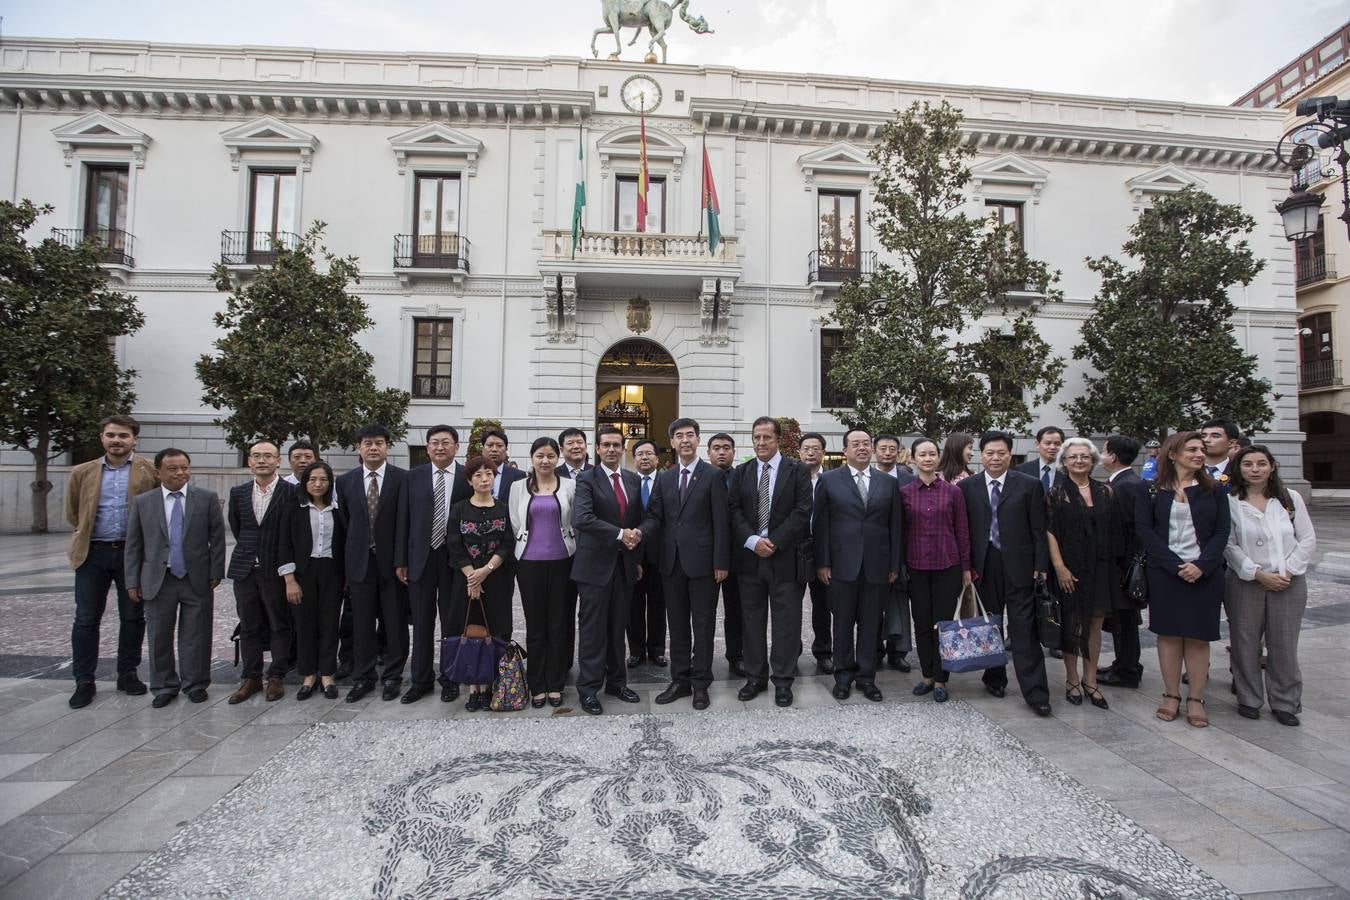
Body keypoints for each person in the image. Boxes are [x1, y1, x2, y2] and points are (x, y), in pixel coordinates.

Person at [1135, 431, 1231, 728]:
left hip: (1205, 573)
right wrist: (1176, 565)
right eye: (1191, 449)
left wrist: (1201, 564)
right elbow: (1145, 531)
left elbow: (1221, 531)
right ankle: (1171, 694)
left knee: (1198, 637)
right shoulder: (1150, 489)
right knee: (1169, 635)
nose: (1199, 454)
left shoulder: (1214, 489)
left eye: (1201, 449)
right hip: (1165, 573)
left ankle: (1196, 698)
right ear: (1173, 454)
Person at [64, 415, 157, 709]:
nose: (117, 440)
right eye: (111, 435)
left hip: (132, 554)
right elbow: (73, 512)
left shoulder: (148, 471)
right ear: (102, 437)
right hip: (93, 553)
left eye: (124, 436)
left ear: (134, 440)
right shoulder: (82, 472)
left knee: (132, 616)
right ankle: (84, 679)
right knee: (86, 617)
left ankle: (127, 673)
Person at [959, 431, 1052, 717]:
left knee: (1024, 630)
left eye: (1001, 453)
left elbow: (1039, 528)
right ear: (981, 455)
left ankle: (1036, 692)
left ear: (1010, 455)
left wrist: (1041, 564)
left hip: (1021, 565)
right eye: (989, 453)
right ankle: (994, 678)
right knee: (991, 625)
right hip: (984, 566)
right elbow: (964, 531)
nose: (995, 458)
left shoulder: (1028, 485)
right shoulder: (968, 487)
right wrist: (965, 567)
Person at [124, 449, 225, 708]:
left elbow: (217, 538)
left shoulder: (206, 499)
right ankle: (164, 686)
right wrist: (132, 580)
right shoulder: (144, 502)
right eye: (173, 468)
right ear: (158, 472)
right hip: (159, 579)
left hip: (196, 578)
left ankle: (196, 683)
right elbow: (134, 545)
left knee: (197, 634)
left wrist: (216, 571)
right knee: (159, 635)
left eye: (184, 467)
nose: (180, 473)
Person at [1224, 445, 1316, 726]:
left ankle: (1286, 702)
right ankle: (1249, 698)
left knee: (1284, 643)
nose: (1255, 469)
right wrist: (1256, 573)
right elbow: (1228, 544)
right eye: (1248, 464)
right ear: (1239, 468)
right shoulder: (1229, 500)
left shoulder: (1290, 498)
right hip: (1245, 582)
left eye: (1261, 463)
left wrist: (1286, 572)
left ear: (1272, 466)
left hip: (1288, 581)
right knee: (1245, 643)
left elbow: (1307, 539)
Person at [643, 418, 731, 710]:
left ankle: (701, 683)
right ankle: (679, 680)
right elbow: (656, 517)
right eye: (678, 435)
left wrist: (721, 561)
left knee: (703, 625)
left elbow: (721, 521)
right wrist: (637, 535)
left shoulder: (712, 475)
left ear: (697, 440)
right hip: (671, 563)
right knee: (677, 625)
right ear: (672, 442)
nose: (684, 440)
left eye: (690, 435)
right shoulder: (664, 477)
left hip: (705, 564)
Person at [813, 428, 903, 702]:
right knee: (841, 624)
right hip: (840, 564)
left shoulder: (887, 482)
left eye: (866, 443)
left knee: (870, 624)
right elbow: (821, 525)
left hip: (878, 564)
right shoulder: (829, 480)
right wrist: (823, 562)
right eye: (856, 444)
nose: (862, 448)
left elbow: (896, 525)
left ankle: (867, 678)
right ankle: (843, 676)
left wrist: (894, 564)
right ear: (845, 450)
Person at [729, 416, 812, 707]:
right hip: (750, 560)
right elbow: (734, 510)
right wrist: (752, 541)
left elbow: (802, 511)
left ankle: (783, 680)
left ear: (777, 439)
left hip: (785, 559)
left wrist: (774, 541)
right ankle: (755, 678)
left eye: (766, 437)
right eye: (757, 437)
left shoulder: (797, 470)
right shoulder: (742, 472)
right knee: (752, 622)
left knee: (786, 623)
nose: (761, 442)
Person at [570, 425, 645, 715]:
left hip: (624, 566)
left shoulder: (632, 479)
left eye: (616, 444)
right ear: (597, 449)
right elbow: (583, 518)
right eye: (606, 445)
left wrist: (636, 546)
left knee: (617, 628)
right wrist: (620, 534)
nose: (612, 449)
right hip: (593, 567)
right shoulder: (586, 479)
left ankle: (617, 682)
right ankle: (588, 689)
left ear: (623, 447)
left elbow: (639, 519)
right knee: (592, 631)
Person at [396, 425, 472, 704]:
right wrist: (401, 560)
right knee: (422, 621)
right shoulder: (412, 478)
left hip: (455, 560)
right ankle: (421, 680)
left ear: (456, 446)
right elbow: (403, 520)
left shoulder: (467, 477)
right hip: (421, 559)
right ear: (427, 448)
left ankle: (450, 678)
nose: (440, 447)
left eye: (446, 442)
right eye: (435, 443)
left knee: (452, 623)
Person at [1045, 437, 1123, 711]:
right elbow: (1050, 532)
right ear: (1064, 462)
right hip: (1070, 569)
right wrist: (1059, 567)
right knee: (1071, 624)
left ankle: (1091, 681)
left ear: (1092, 460)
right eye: (1073, 457)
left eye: (1084, 456)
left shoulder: (1106, 492)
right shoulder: (1056, 494)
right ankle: (1072, 679)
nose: (1079, 461)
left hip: (1100, 568)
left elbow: (1115, 531)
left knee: (1095, 625)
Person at [335, 424, 410, 703]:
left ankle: (393, 676)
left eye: (379, 443)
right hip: (359, 564)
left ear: (388, 447)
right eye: (367, 443)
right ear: (359, 448)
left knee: (395, 623)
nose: (373, 448)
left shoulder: (403, 479)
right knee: (362, 625)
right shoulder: (345, 482)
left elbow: (406, 522)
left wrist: (403, 560)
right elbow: (344, 524)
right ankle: (363, 677)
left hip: (393, 565)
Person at [899, 437, 971, 704]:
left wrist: (966, 567)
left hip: (947, 565)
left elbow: (962, 531)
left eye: (932, 454)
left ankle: (941, 679)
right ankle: (927, 675)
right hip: (916, 566)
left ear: (939, 458)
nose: (928, 458)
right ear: (913, 459)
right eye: (922, 454)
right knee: (921, 622)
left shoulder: (953, 492)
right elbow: (901, 532)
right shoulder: (905, 493)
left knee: (944, 624)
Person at [226, 440, 296, 704]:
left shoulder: (290, 493)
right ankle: (251, 677)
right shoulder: (239, 493)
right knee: (249, 625)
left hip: (276, 570)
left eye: (268, 456)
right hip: (245, 570)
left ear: (279, 461)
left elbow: (292, 534)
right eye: (256, 456)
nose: (262, 460)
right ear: (249, 461)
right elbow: (237, 527)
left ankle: (276, 675)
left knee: (279, 623)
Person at [509, 437, 576, 708]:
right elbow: (514, 521)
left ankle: (556, 682)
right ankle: (537, 684)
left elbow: (576, 520)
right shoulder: (517, 487)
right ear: (532, 457)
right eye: (540, 455)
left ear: (557, 458)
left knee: (559, 624)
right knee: (535, 625)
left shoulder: (570, 485)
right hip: (529, 562)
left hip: (564, 560)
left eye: (550, 455)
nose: (545, 460)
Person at [447, 456, 516, 711]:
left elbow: (508, 543)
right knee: (470, 630)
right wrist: (472, 576)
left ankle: (490, 684)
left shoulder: (504, 507)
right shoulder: (459, 508)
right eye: (478, 475)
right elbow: (454, 544)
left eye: (489, 474)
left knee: (494, 630)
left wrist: (485, 571)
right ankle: (473, 687)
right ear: (469, 480)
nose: (484, 478)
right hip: (465, 580)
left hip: (496, 579)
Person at [277, 461, 345, 700]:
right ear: (305, 482)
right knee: (304, 624)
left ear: (330, 483)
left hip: (331, 570)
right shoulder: (293, 508)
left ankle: (327, 674)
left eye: (323, 480)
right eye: (313, 479)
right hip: (303, 571)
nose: (318, 484)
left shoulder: (337, 509)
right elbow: (283, 544)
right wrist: (289, 580)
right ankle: (308, 675)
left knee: (329, 622)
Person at [1098, 434, 1148, 689]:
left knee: (1125, 620)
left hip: (1124, 566)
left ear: (1114, 456)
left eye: (1104, 450)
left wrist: (1121, 565)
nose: (1101, 454)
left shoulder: (1126, 485)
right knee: (1123, 619)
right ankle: (1124, 663)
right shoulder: (1127, 482)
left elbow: (1129, 529)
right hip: (1124, 564)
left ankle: (1127, 669)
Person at [874, 433, 915, 674]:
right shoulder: (868, 477)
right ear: (874, 451)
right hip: (875, 550)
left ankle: (898, 651)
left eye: (892, 448)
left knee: (899, 603)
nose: (887, 452)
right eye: (883, 448)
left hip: (902, 548)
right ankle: (875, 649)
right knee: (873, 604)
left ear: (898, 451)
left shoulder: (908, 478)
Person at [707, 431, 745, 677]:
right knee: (704, 613)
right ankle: (701, 658)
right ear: (708, 452)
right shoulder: (701, 477)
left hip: (739, 557)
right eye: (717, 448)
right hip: (707, 557)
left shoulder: (743, 477)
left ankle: (737, 656)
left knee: (737, 611)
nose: (722, 452)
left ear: (733, 452)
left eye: (726, 448)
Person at [627, 439, 667, 668]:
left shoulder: (666, 481)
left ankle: (657, 649)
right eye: (640, 453)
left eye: (649, 453)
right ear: (634, 458)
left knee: (658, 604)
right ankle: (636, 651)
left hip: (660, 555)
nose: (644, 457)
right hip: (632, 554)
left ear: (657, 459)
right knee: (633, 606)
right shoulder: (627, 482)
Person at [798, 433, 833, 675]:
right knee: (790, 604)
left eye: (816, 449)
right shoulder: (790, 477)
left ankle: (823, 653)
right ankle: (792, 651)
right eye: (806, 448)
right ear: (799, 452)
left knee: (823, 605)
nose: (811, 452)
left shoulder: (831, 480)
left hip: (823, 549)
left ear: (823, 453)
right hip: (796, 549)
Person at [1016, 425, 1066, 495]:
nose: (1052, 447)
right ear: (1037, 444)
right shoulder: (1022, 470)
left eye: (1057, 444)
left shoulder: (1068, 471)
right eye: (1048, 443)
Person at [482, 429, 526, 501]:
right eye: (490, 445)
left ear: (506, 449)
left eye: (499, 446)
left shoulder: (519, 475)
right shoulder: (473, 474)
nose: (494, 449)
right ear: (483, 449)